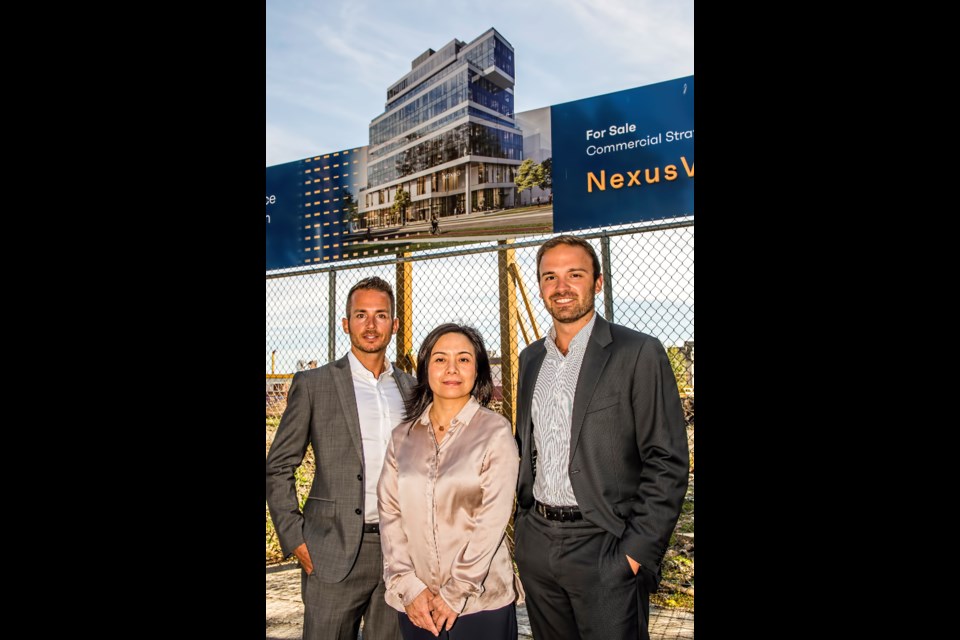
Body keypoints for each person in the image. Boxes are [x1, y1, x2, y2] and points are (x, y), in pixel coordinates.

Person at [513, 235, 689, 640]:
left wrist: (633, 554)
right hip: (537, 543)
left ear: (597, 283)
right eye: (550, 277)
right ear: (540, 285)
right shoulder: (530, 360)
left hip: (605, 544)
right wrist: (524, 533)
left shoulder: (638, 352)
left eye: (575, 274)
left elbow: (668, 460)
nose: (561, 287)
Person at [266, 276, 416, 640]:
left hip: (400, 552)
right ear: (346, 324)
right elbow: (279, 465)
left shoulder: (411, 389)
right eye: (361, 315)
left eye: (381, 316)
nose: (370, 325)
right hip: (330, 550)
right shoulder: (315, 383)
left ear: (394, 325)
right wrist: (295, 538)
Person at [378, 324, 520, 640]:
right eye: (440, 359)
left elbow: (492, 521)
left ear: (478, 370)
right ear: (425, 368)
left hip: (479, 603)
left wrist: (455, 592)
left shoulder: (495, 432)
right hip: (417, 603)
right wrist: (408, 586)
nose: (452, 369)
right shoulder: (402, 438)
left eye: (464, 359)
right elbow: (390, 516)